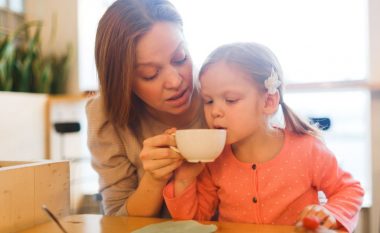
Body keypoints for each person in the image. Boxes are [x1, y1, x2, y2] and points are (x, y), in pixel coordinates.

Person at [163, 42, 364, 232]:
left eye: (230, 100)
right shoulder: (214, 160)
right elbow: (193, 223)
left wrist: (330, 212)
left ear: (268, 101)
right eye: (208, 101)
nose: (215, 111)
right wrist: (183, 179)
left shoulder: (308, 150)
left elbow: (350, 190)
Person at [86, 0, 207, 217]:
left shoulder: (222, 92)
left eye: (180, 58)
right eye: (150, 73)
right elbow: (116, 220)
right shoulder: (106, 116)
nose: (174, 81)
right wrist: (154, 180)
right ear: (123, 82)